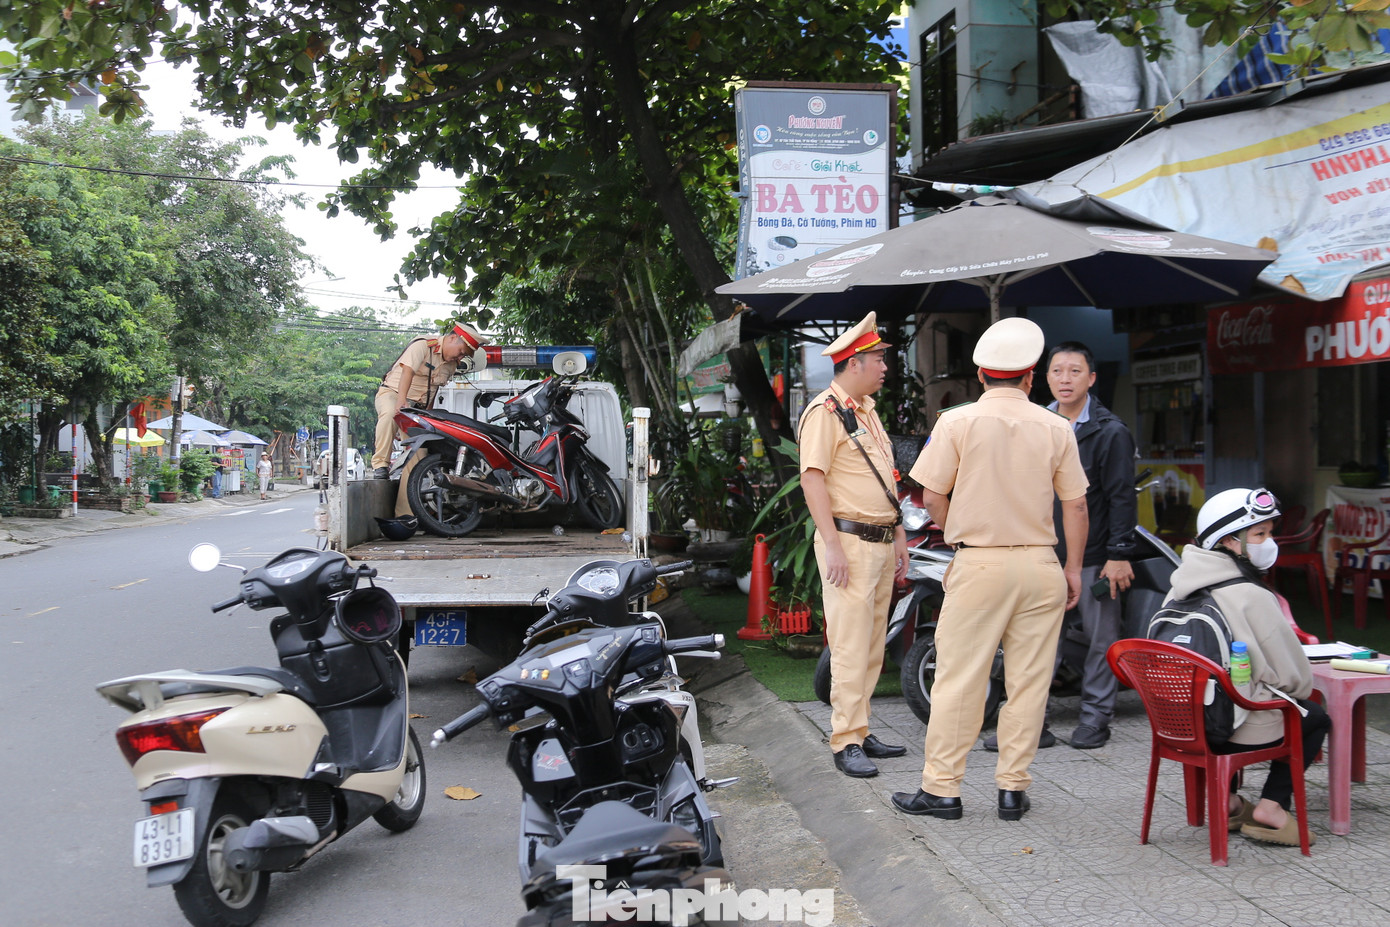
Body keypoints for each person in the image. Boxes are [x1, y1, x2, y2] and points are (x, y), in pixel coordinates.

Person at [893, 316, 1089, 822]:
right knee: (1030, 681)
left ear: (980, 376)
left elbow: (931, 495)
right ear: (1030, 378)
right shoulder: (1057, 427)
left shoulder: (955, 423)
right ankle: (1012, 790)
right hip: (1041, 565)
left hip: (978, 563)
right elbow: (1076, 507)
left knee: (959, 679)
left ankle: (942, 791)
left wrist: (957, 525)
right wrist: (1072, 568)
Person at [991, 341, 1138, 750]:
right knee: (1037, 640)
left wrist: (1119, 554)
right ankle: (1031, 725)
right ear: (1044, 378)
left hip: (1094, 558)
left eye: (1075, 371)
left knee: (1100, 639)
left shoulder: (1110, 431)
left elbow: (1123, 496)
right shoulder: (1036, 423)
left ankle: (1095, 719)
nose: (1065, 379)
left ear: (1091, 379)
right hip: (1042, 554)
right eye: (1057, 371)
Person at [1170, 487, 1330, 846]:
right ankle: (1272, 807)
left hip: (1178, 727)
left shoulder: (1177, 588)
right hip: (1229, 729)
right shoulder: (1251, 595)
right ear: (1229, 541)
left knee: (1221, 693)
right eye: (1259, 534)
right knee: (1313, 715)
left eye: (1269, 532)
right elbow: (1297, 681)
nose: (1269, 542)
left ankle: (1227, 802)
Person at [799, 311, 909, 779]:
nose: (885, 366)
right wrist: (833, 545)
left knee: (870, 646)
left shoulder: (866, 411)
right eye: (878, 358)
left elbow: (888, 480)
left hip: (881, 540)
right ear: (855, 362)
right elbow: (812, 478)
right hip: (849, 541)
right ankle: (845, 740)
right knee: (848, 644)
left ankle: (860, 730)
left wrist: (900, 534)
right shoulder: (824, 411)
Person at [371, 322, 489, 480]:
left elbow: (433, 390)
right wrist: (401, 401)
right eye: (461, 352)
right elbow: (408, 372)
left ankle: (407, 501)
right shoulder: (423, 346)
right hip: (393, 393)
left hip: (417, 408)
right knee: (390, 413)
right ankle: (380, 466)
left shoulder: (452, 366)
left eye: (463, 356)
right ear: (453, 338)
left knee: (419, 454)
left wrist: (428, 415)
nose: (460, 358)